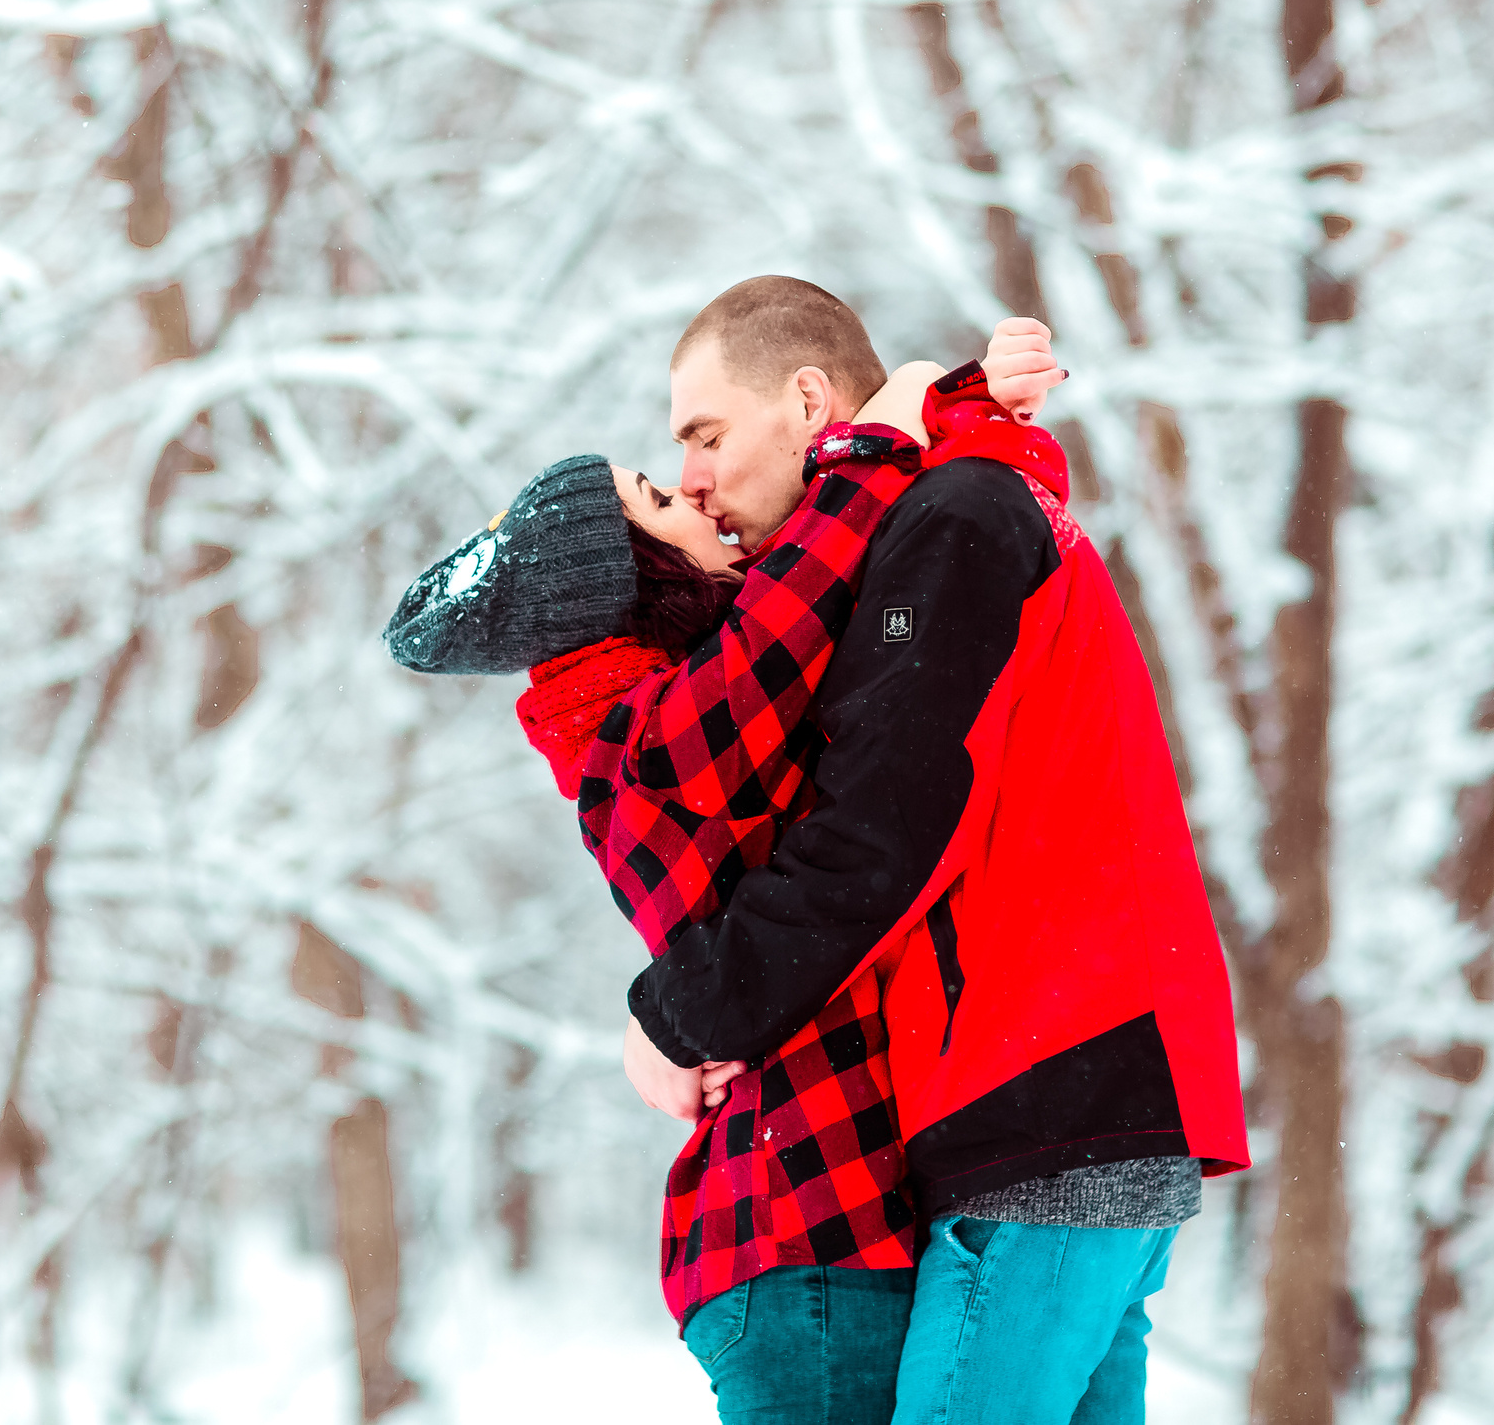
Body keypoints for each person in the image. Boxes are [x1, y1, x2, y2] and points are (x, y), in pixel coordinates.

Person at [382, 311, 1065, 1423]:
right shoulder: (646, 743)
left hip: (816, 1239)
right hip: (801, 1241)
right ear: (625, 580)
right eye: (659, 497)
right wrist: (879, 445)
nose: (694, 493)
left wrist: (959, 406)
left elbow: (842, 592)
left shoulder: (666, 714)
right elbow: (794, 608)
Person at [622, 276, 1252, 1424]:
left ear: (810, 400)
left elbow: (873, 835)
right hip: (1055, 1109)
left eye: (704, 433)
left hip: (1053, 1107)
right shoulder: (949, 512)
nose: (696, 476)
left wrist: (676, 1013)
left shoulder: (954, 519)